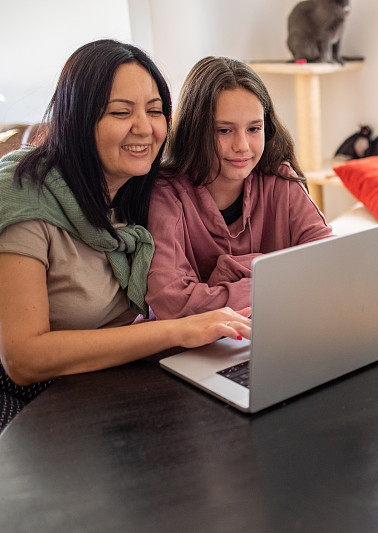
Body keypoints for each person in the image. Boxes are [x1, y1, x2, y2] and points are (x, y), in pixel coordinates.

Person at [0, 41, 252, 402]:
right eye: (120, 113)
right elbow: (23, 360)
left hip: (107, 381)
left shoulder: (140, 189)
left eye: (154, 110)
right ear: (78, 119)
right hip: (30, 402)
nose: (144, 128)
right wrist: (175, 330)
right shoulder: (21, 195)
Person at [145, 57, 332, 319]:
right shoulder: (166, 194)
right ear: (194, 131)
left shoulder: (281, 180)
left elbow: (330, 263)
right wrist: (275, 280)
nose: (242, 145)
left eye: (254, 128)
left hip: (278, 331)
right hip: (199, 352)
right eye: (224, 130)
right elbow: (173, 303)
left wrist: (227, 273)